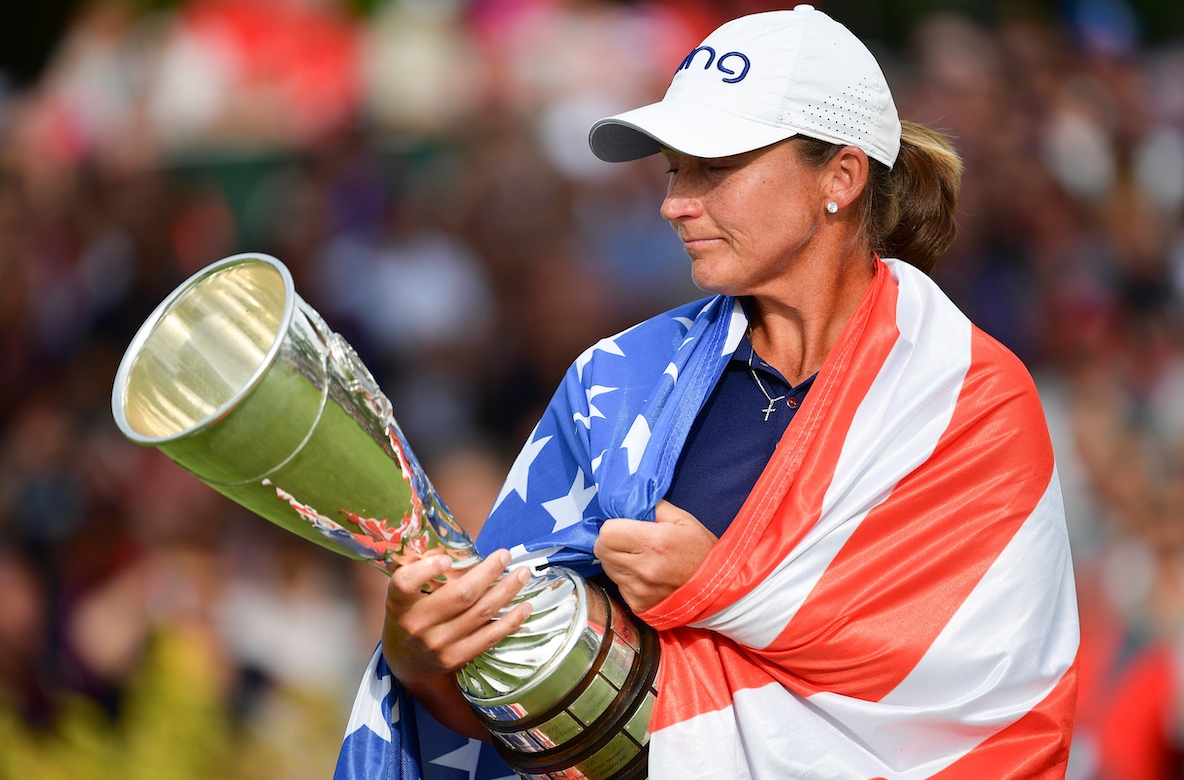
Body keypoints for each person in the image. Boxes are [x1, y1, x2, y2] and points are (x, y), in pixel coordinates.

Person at [336, 6, 1079, 778]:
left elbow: (984, 701)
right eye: (673, 170)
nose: (675, 202)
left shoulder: (970, 401)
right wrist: (427, 664)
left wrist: (723, 584)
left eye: (714, 168)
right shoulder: (614, 384)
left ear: (842, 177)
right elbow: (534, 715)